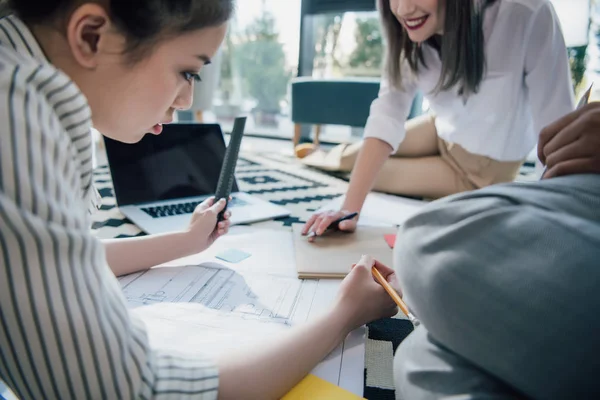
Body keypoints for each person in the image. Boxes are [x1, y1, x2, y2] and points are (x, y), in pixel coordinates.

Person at [0, 1, 401, 399]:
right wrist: (344, 314)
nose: (187, 100)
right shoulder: (17, 113)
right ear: (92, 35)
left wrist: (185, 242)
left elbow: (52, 258)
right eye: (187, 71)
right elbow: (131, 390)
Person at [302, 0, 575, 239]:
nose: (402, 8)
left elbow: (555, 127)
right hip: (440, 128)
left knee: (374, 175)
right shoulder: (400, 18)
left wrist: (552, 224)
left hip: (481, 169)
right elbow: (388, 110)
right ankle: (320, 156)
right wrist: (348, 208)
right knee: (356, 158)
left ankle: (327, 159)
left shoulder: (526, 13)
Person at [392, 102, 600, 398]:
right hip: (443, 136)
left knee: (428, 236)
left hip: (485, 164)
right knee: (419, 357)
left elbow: (552, 119)